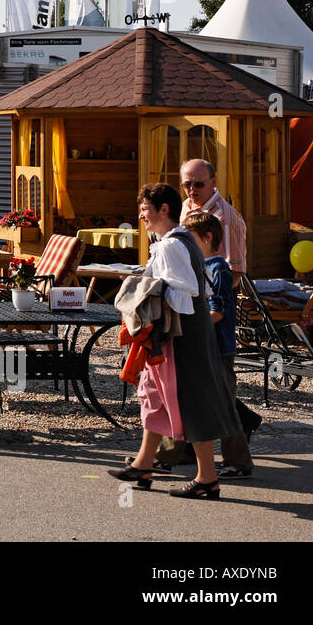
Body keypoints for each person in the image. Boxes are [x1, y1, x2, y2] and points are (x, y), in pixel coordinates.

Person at [109, 184, 243, 499]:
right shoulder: (179, 240)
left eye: (145, 209)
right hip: (186, 332)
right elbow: (200, 287)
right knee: (154, 394)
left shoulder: (171, 245)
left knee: (193, 403)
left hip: (183, 335)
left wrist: (146, 288)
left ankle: (207, 479)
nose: (140, 215)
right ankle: (143, 464)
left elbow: (186, 292)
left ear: (164, 210)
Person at [153, 212, 260, 478]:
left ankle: (238, 462)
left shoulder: (218, 268)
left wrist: (192, 330)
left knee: (222, 405)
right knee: (185, 400)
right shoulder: (199, 266)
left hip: (217, 349)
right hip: (204, 347)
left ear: (207, 237)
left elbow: (218, 310)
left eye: (190, 238)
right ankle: (165, 457)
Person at [179, 158, 246, 275]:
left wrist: (212, 292)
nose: (192, 189)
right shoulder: (185, 206)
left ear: (214, 181)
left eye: (199, 185)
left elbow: (235, 272)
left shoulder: (225, 218)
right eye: (187, 184)